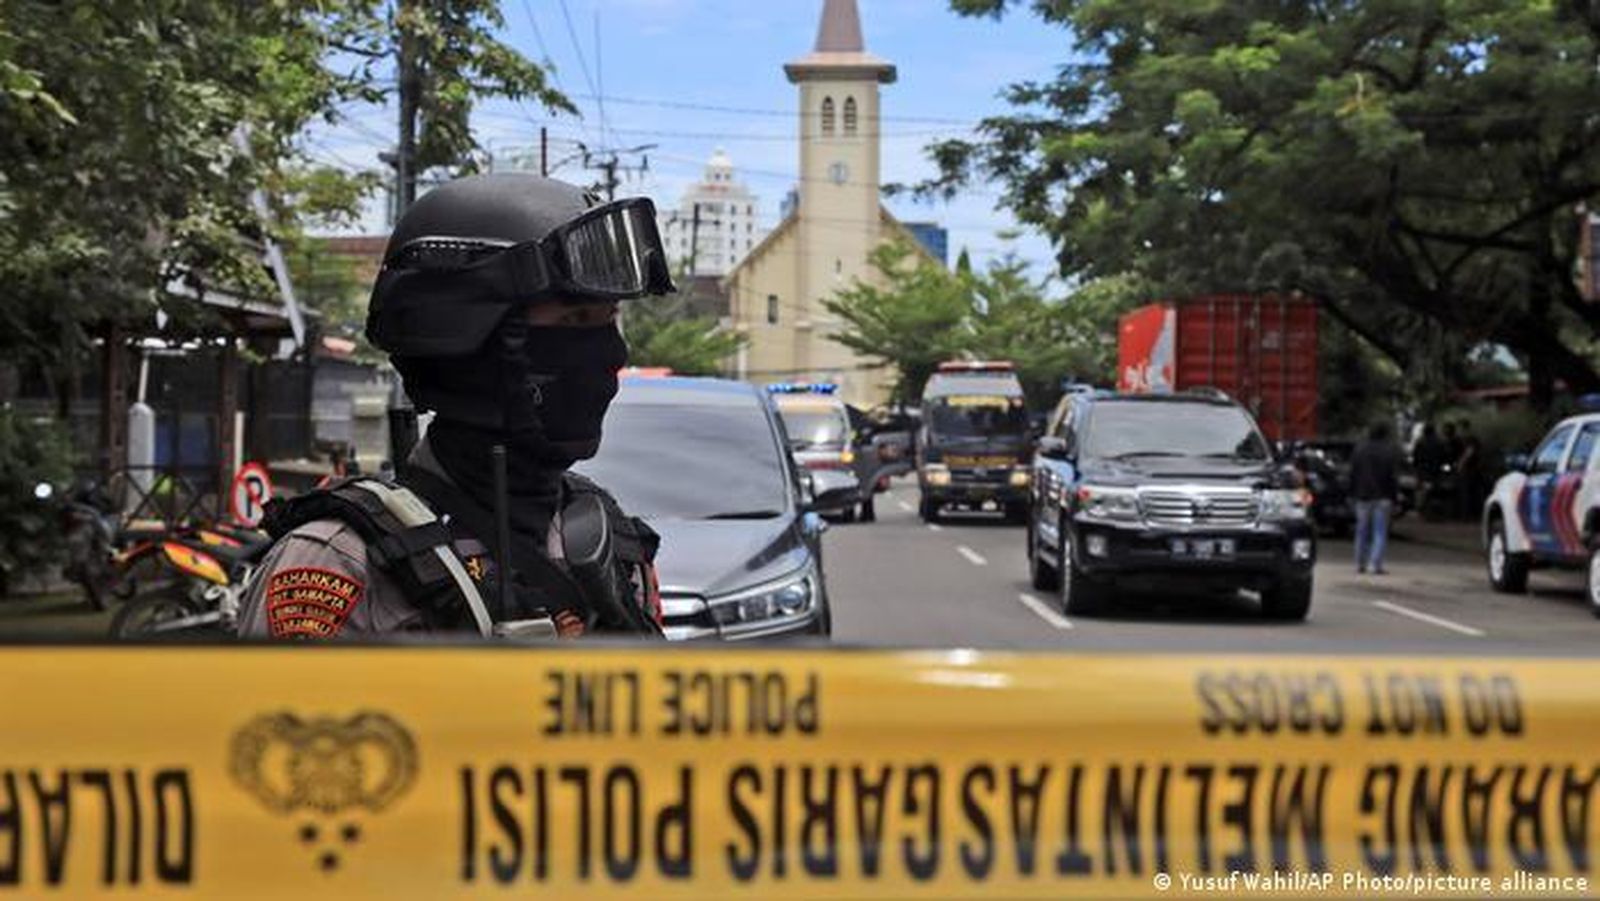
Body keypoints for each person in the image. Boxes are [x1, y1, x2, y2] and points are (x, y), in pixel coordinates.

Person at [236, 173, 675, 640]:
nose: (610, 353)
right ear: (469, 344)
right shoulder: (338, 564)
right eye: (574, 319)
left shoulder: (610, 540)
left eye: (608, 320)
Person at [1349, 420, 1401, 574]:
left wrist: (1351, 493)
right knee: (1379, 531)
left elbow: (1354, 474)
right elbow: (1392, 477)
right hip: (1383, 496)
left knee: (1361, 530)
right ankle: (1375, 564)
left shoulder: (1359, 450)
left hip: (1363, 495)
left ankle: (1360, 563)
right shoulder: (1389, 451)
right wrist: (1395, 497)